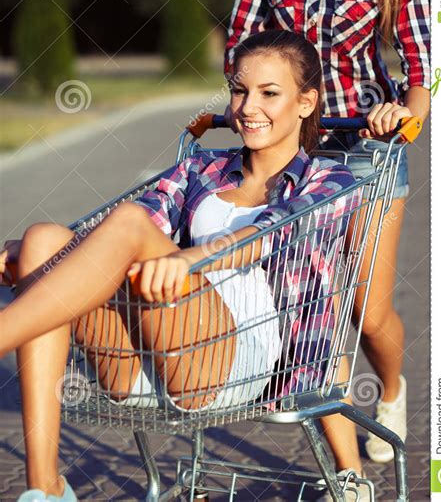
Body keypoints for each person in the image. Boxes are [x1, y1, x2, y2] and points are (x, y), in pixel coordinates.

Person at [0, 31, 359, 502]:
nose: (249, 107)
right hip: (155, 348)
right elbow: (107, 241)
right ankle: (45, 488)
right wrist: (27, 251)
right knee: (46, 241)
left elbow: (273, 232)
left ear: (306, 102)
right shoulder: (200, 170)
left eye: (269, 93)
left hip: (237, 357)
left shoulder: (329, 179)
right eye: (239, 90)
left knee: (124, 226)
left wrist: (192, 258)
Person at [224, 0, 430, 476]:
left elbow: (422, 65)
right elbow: (243, 38)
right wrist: (252, 107)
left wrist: (405, 120)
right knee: (315, 303)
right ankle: (347, 472)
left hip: (365, 146)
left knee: (367, 311)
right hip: (293, 148)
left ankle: (390, 391)